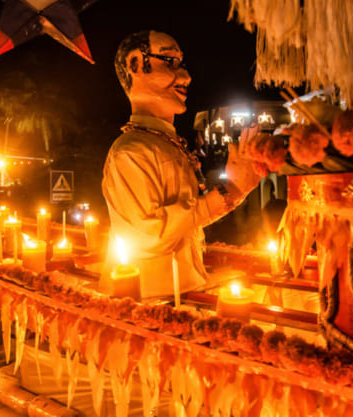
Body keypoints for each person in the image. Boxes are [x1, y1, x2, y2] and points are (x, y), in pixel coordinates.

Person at [100, 30, 260, 298]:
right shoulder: (130, 152)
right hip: (149, 303)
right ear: (135, 65)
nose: (185, 77)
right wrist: (226, 191)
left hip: (188, 291)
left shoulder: (166, 143)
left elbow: (189, 219)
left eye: (182, 64)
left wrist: (235, 188)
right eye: (170, 62)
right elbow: (147, 236)